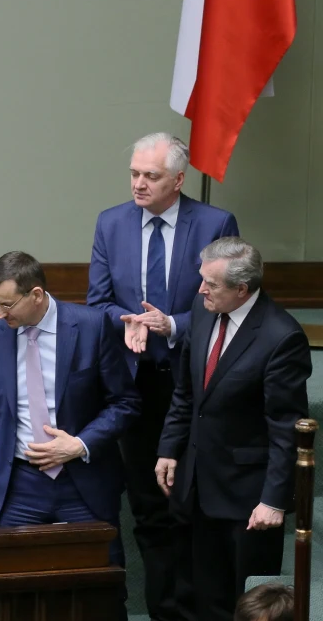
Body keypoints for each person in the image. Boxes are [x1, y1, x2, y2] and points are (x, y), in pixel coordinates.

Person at [88, 132, 239, 621]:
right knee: (149, 505)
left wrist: (171, 324)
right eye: (134, 173)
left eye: (150, 176)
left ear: (179, 178)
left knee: (189, 501)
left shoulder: (215, 223)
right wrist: (126, 320)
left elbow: (229, 306)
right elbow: (98, 304)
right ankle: (162, 609)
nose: (138, 183)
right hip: (133, 384)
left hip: (191, 381)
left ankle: (195, 607)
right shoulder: (110, 223)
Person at [156, 237, 310, 621]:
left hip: (248, 498)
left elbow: (285, 428)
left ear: (242, 289)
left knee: (245, 603)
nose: (200, 289)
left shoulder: (281, 337)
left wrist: (274, 500)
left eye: (211, 284)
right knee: (201, 595)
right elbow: (187, 393)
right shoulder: (203, 309)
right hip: (196, 485)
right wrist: (169, 449)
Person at [0, 251, 139, 551]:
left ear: (36, 294)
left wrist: (80, 443)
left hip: (83, 480)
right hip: (19, 483)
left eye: (7, 305)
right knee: (13, 585)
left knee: (99, 582)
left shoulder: (92, 326)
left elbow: (125, 403)